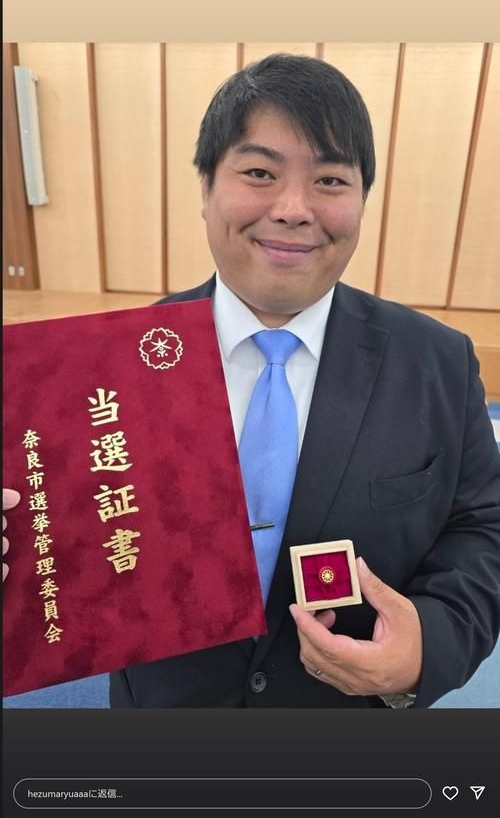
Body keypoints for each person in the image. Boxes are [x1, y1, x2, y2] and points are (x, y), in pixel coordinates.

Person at [4, 54, 500, 708]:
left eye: (330, 180)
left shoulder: (438, 363)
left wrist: (429, 645)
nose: (294, 209)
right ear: (206, 186)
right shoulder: (100, 368)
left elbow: (483, 529)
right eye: (260, 173)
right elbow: (57, 541)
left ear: (362, 200)